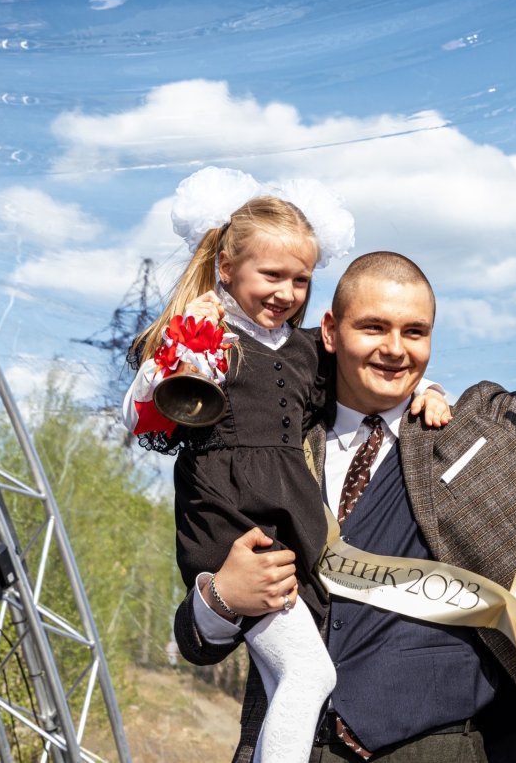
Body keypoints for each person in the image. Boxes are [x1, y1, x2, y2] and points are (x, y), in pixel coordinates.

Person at [172, 94, 516, 763]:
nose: (396, 348)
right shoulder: (258, 443)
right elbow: (194, 634)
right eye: (374, 327)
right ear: (328, 332)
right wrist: (220, 596)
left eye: (415, 331)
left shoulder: (483, 431)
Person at [121, 168, 451, 763]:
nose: (287, 293)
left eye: (301, 280)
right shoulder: (203, 336)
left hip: (289, 523)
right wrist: (181, 351)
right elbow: (137, 416)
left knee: (289, 680)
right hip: (232, 525)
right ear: (226, 268)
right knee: (311, 677)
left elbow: (371, 379)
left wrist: (427, 391)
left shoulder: (300, 351)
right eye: (271, 275)